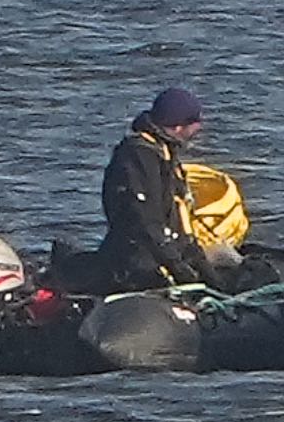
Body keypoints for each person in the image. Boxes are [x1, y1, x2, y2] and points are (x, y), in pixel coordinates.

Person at [97, 87, 229, 291]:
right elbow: (145, 221)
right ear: (178, 126)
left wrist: (208, 275)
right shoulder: (138, 156)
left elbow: (179, 220)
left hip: (169, 250)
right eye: (195, 122)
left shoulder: (165, 152)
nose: (199, 128)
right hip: (138, 262)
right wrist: (178, 269)